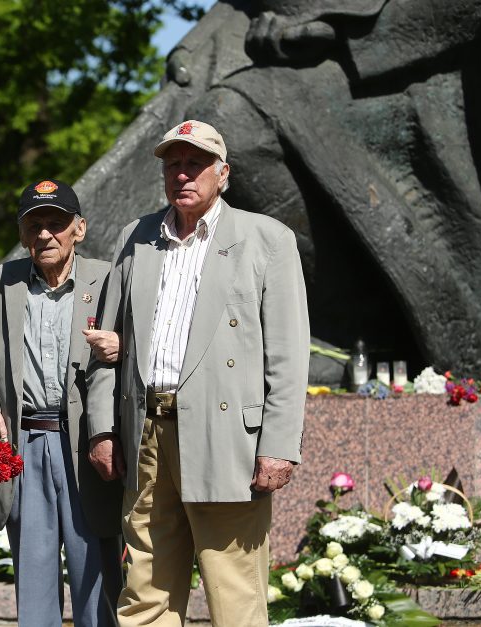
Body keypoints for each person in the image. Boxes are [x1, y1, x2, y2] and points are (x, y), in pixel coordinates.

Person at [86, 120, 310, 626]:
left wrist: (278, 443)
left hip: (227, 437)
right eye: (173, 165)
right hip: (146, 433)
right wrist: (103, 426)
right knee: (144, 590)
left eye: (195, 164)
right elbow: (107, 344)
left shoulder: (266, 239)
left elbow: (289, 354)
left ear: (223, 173)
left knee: (233, 592)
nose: (182, 175)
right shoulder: (135, 237)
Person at [0, 179, 122, 627]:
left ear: (80, 228)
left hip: (87, 445)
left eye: (57, 223)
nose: (44, 234)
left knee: (96, 572)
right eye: (34, 225)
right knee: (33, 577)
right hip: (23, 447)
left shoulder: (110, 279)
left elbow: (133, 356)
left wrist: (122, 346)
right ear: (21, 233)